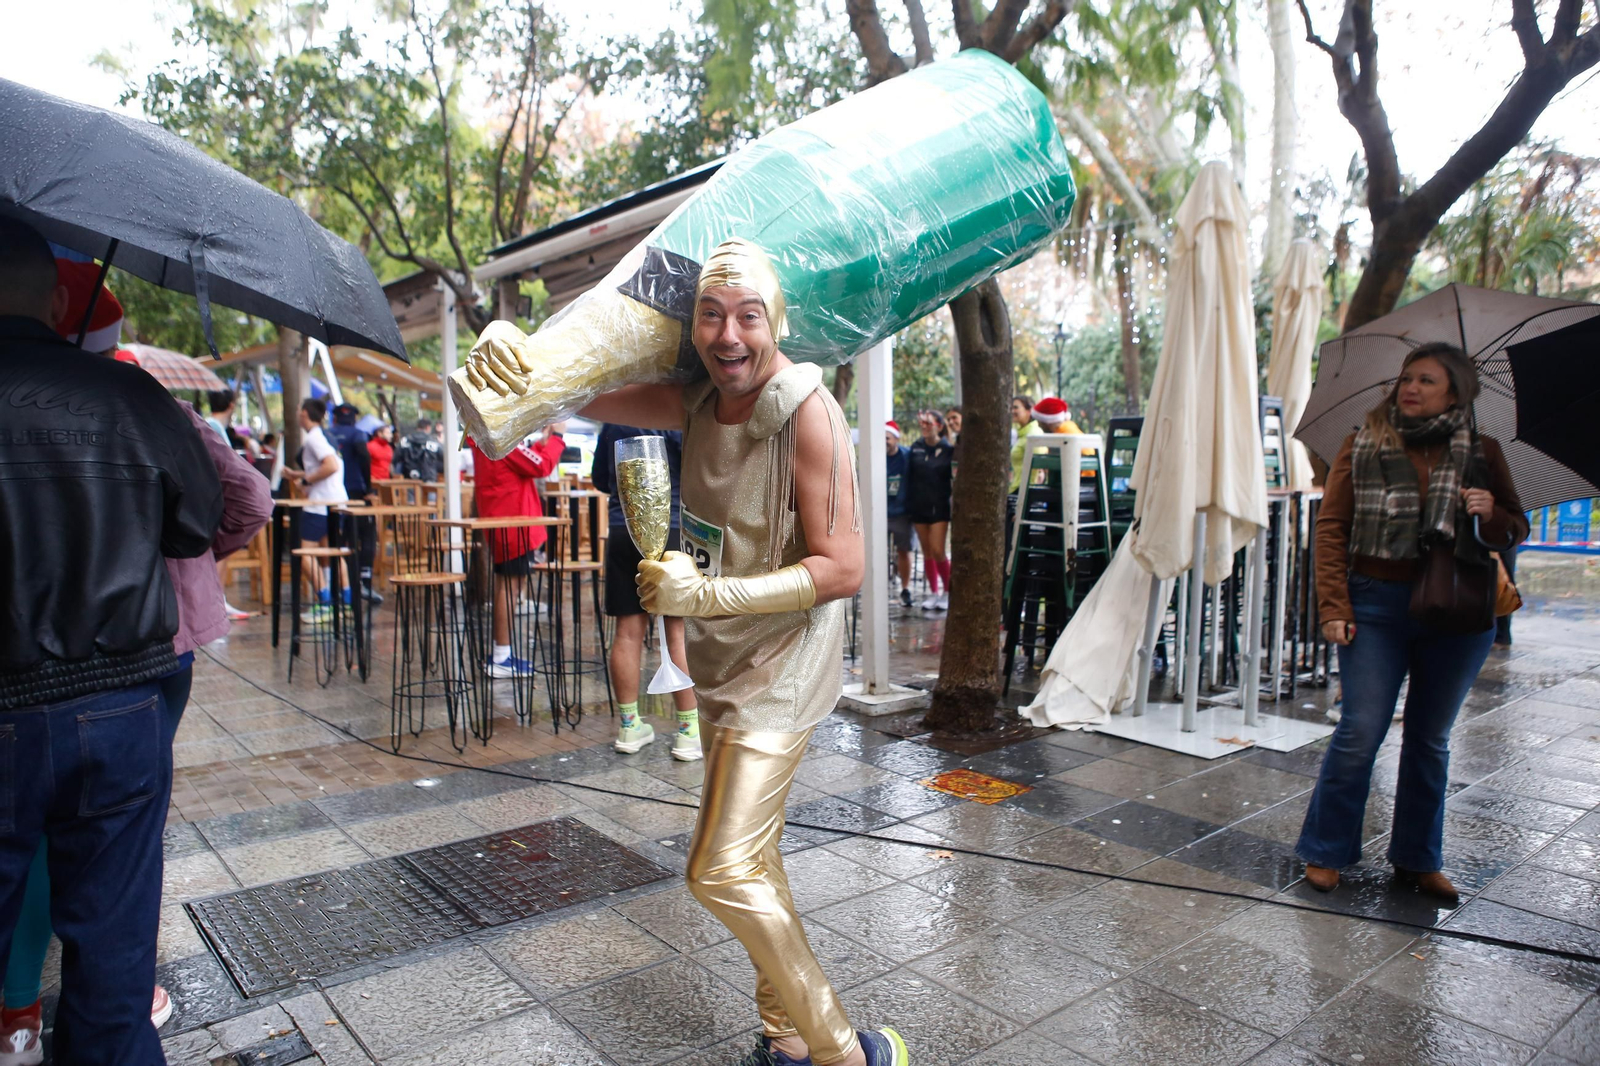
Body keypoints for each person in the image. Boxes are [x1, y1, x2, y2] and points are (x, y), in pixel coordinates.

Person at [472, 236, 906, 1066]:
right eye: (711, 315)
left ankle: (849, 1053)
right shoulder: (700, 400)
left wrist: (706, 597)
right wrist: (518, 353)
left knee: (718, 869)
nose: (729, 334)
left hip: (782, 667)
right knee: (756, 857)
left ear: (775, 320)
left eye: (747, 316)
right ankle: (786, 1037)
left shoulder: (805, 410)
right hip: (720, 657)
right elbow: (588, 393)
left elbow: (843, 566)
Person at [0, 218, 223, 1064]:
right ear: (60, 301)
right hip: (119, 706)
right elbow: (195, 522)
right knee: (114, 969)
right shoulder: (131, 398)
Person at [1296, 343, 1527, 902]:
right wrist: (1333, 606)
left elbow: (1515, 528)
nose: (1411, 387)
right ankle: (1326, 851)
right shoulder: (1362, 444)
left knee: (1430, 740)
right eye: (1406, 378)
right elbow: (1332, 530)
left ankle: (1419, 859)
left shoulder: (1481, 451)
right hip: (1375, 603)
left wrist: (1489, 512)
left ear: (1456, 393)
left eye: (1426, 380)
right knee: (1360, 730)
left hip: (1457, 609)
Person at [590, 423, 702, 759]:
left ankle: (629, 726)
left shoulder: (613, 416)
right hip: (671, 528)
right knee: (677, 632)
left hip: (621, 529)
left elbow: (599, 478)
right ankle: (688, 731)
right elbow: (697, 466)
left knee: (626, 633)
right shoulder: (671, 411)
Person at [467, 425, 566, 677]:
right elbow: (541, 466)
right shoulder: (500, 438)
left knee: (506, 586)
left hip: (502, 520)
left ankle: (501, 653)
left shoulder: (487, 438)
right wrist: (556, 438)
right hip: (514, 522)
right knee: (510, 588)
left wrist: (544, 442)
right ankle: (501, 656)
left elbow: (526, 461)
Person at [287, 397, 349, 620]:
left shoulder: (313, 438)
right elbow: (329, 466)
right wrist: (299, 475)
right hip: (337, 501)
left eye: (297, 410)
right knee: (331, 553)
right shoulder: (327, 436)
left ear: (304, 413)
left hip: (320, 504)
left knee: (306, 555)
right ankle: (345, 603)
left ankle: (325, 603)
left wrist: (305, 482)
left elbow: (330, 466)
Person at [327, 403, 380, 603]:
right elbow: (364, 456)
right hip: (356, 490)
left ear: (335, 418)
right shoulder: (358, 434)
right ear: (354, 418)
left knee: (339, 538)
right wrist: (368, 487)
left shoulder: (327, 434)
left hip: (332, 493)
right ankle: (363, 582)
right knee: (366, 534)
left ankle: (340, 585)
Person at [907, 410, 954, 611]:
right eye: (922, 423)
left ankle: (948, 592)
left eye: (929, 423)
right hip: (919, 506)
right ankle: (934, 593)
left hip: (939, 507)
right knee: (926, 552)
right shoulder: (916, 448)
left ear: (939, 426)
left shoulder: (948, 449)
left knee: (938, 550)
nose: (924, 426)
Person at [884, 421, 914, 607]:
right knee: (878, 552)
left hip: (902, 512)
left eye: (887, 438)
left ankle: (905, 588)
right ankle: (880, 587)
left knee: (904, 550)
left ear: (896, 438)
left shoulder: (907, 457)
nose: (883, 442)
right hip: (880, 513)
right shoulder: (875, 456)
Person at [394, 417, 444, 482]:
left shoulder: (405, 441)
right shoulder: (432, 442)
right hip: (429, 481)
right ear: (428, 427)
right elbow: (444, 458)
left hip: (409, 480)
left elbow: (395, 460)